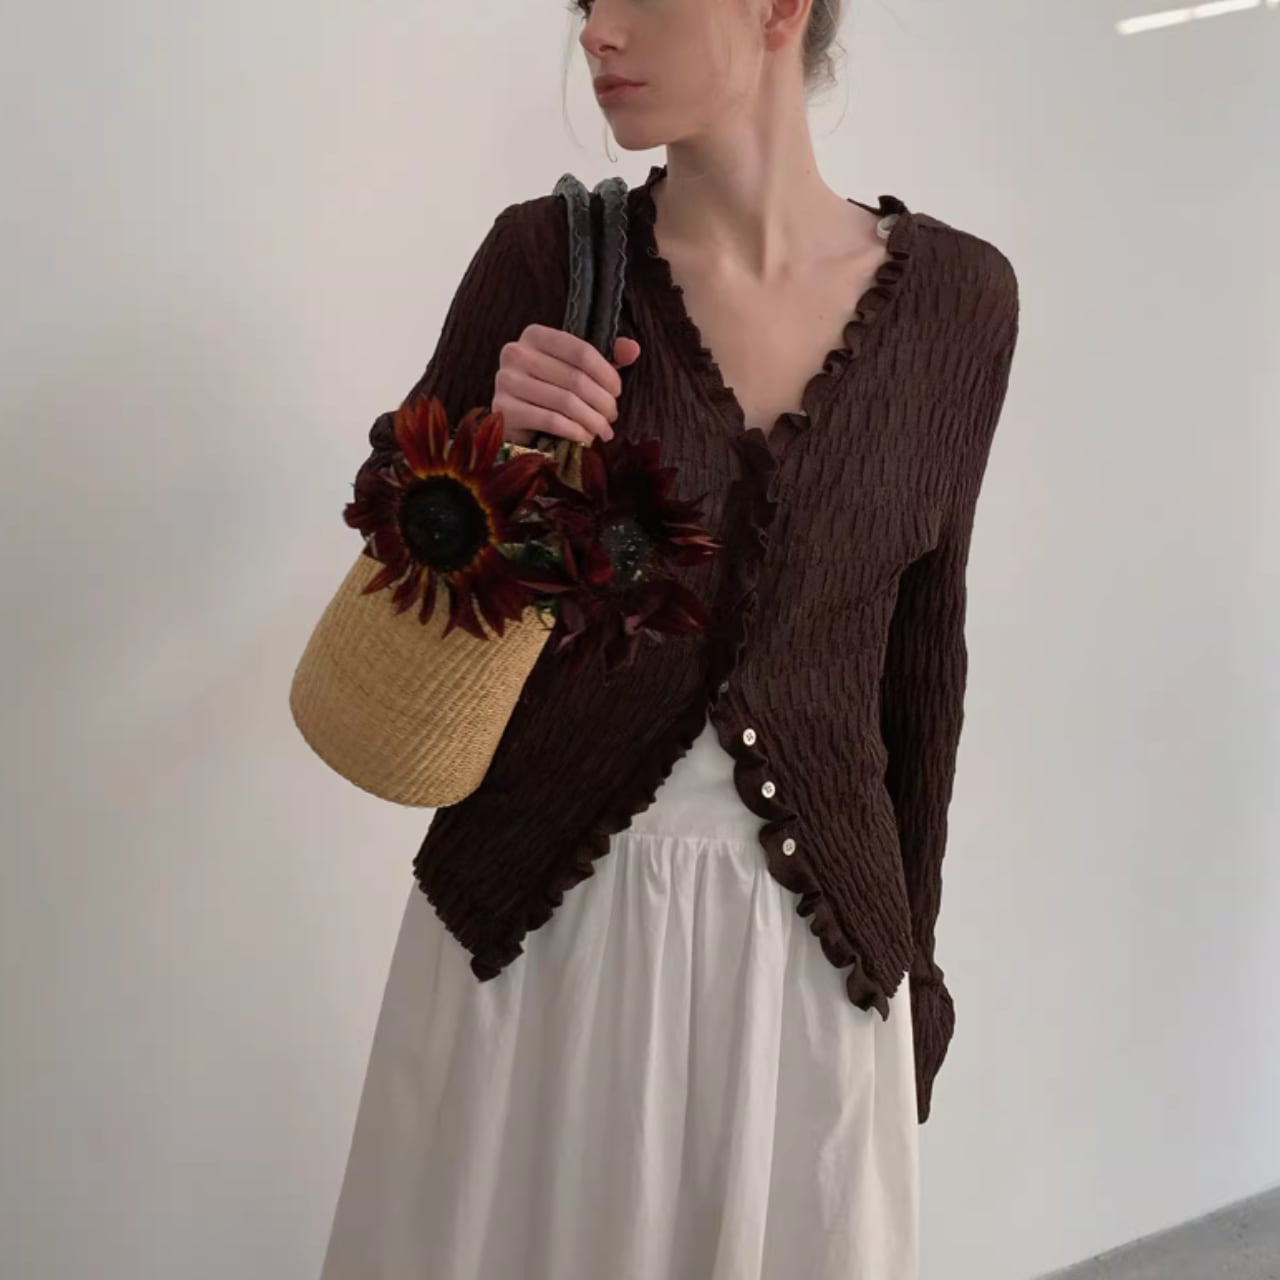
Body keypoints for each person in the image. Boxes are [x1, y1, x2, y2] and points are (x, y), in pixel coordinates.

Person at [320, 2, 1019, 1277]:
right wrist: (487, 448)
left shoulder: (959, 302)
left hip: (810, 958)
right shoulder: (543, 259)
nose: (596, 32)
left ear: (778, 8)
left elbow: (922, 655)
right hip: (534, 933)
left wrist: (913, 964)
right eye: (585, 1)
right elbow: (401, 534)